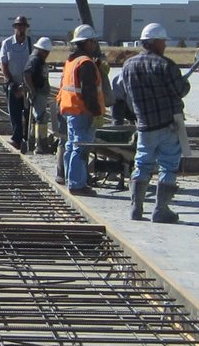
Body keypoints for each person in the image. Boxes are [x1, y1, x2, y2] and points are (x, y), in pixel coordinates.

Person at [118, 23, 191, 223]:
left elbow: (124, 93)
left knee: (141, 164)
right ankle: (161, 209)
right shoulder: (165, 65)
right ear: (156, 42)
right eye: (163, 42)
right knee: (168, 165)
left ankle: (136, 208)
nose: (165, 45)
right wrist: (185, 83)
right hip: (168, 124)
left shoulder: (128, 65)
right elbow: (180, 90)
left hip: (144, 125)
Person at [57, 24, 105, 195]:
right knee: (80, 147)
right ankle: (77, 184)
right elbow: (89, 92)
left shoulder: (72, 61)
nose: (95, 45)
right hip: (83, 111)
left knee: (72, 145)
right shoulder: (85, 63)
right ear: (86, 42)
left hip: (70, 109)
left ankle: (71, 180)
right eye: (93, 41)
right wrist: (97, 112)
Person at [0, 16, 34, 150]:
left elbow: (34, 63)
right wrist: (11, 83)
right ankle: (17, 139)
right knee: (14, 113)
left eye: (23, 26)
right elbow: (4, 64)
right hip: (13, 83)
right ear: (15, 27)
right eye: (19, 26)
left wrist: (27, 85)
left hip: (27, 84)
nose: (21, 28)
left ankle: (27, 137)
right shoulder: (7, 43)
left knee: (28, 113)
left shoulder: (30, 43)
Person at [22, 36, 56, 153]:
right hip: (38, 92)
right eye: (46, 52)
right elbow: (27, 74)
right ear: (41, 50)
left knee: (37, 117)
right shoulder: (34, 59)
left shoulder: (38, 59)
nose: (47, 54)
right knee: (41, 117)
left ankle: (33, 142)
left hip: (40, 92)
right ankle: (41, 144)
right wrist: (32, 89)